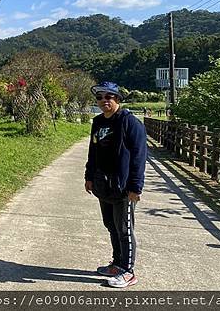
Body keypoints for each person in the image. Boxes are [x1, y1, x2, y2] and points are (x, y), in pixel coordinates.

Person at [84, 81, 147, 288]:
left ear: (117, 99)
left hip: (123, 187)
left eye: (108, 97)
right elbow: (93, 152)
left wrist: (135, 187)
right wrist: (89, 176)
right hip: (104, 185)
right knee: (111, 225)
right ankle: (118, 264)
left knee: (124, 228)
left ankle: (128, 271)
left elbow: (139, 156)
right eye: (100, 98)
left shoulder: (130, 123)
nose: (104, 101)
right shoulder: (98, 122)